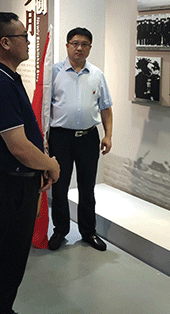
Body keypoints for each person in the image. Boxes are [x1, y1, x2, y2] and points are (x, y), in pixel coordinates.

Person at [0, 12, 60, 314]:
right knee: (6, 261)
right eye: (23, 36)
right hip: (9, 188)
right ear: (5, 42)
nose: (28, 41)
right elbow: (19, 147)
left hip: (16, 184)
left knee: (11, 259)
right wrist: (50, 164)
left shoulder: (6, 77)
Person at [48, 27, 113, 252]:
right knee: (59, 186)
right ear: (67, 46)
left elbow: (106, 107)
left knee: (87, 187)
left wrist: (108, 135)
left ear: (90, 48)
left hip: (88, 138)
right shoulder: (54, 72)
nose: (79, 48)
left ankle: (88, 231)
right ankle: (60, 230)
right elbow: (45, 108)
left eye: (84, 44)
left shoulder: (97, 74)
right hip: (60, 138)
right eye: (75, 43)